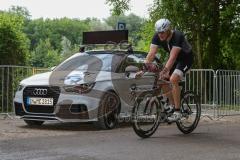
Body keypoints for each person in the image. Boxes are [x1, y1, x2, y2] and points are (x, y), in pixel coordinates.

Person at [142, 18, 193, 121]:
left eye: (162, 32)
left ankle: (178, 111)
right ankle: (172, 105)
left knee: (173, 79)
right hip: (174, 60)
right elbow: (151, 54)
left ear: (168, 30)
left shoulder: (177, 36)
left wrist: (164, 70)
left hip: (185, 59)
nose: (160, 35)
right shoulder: (157, 36)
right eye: (158, 32)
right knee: (163, 79)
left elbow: (172, 57)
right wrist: (143, 69)